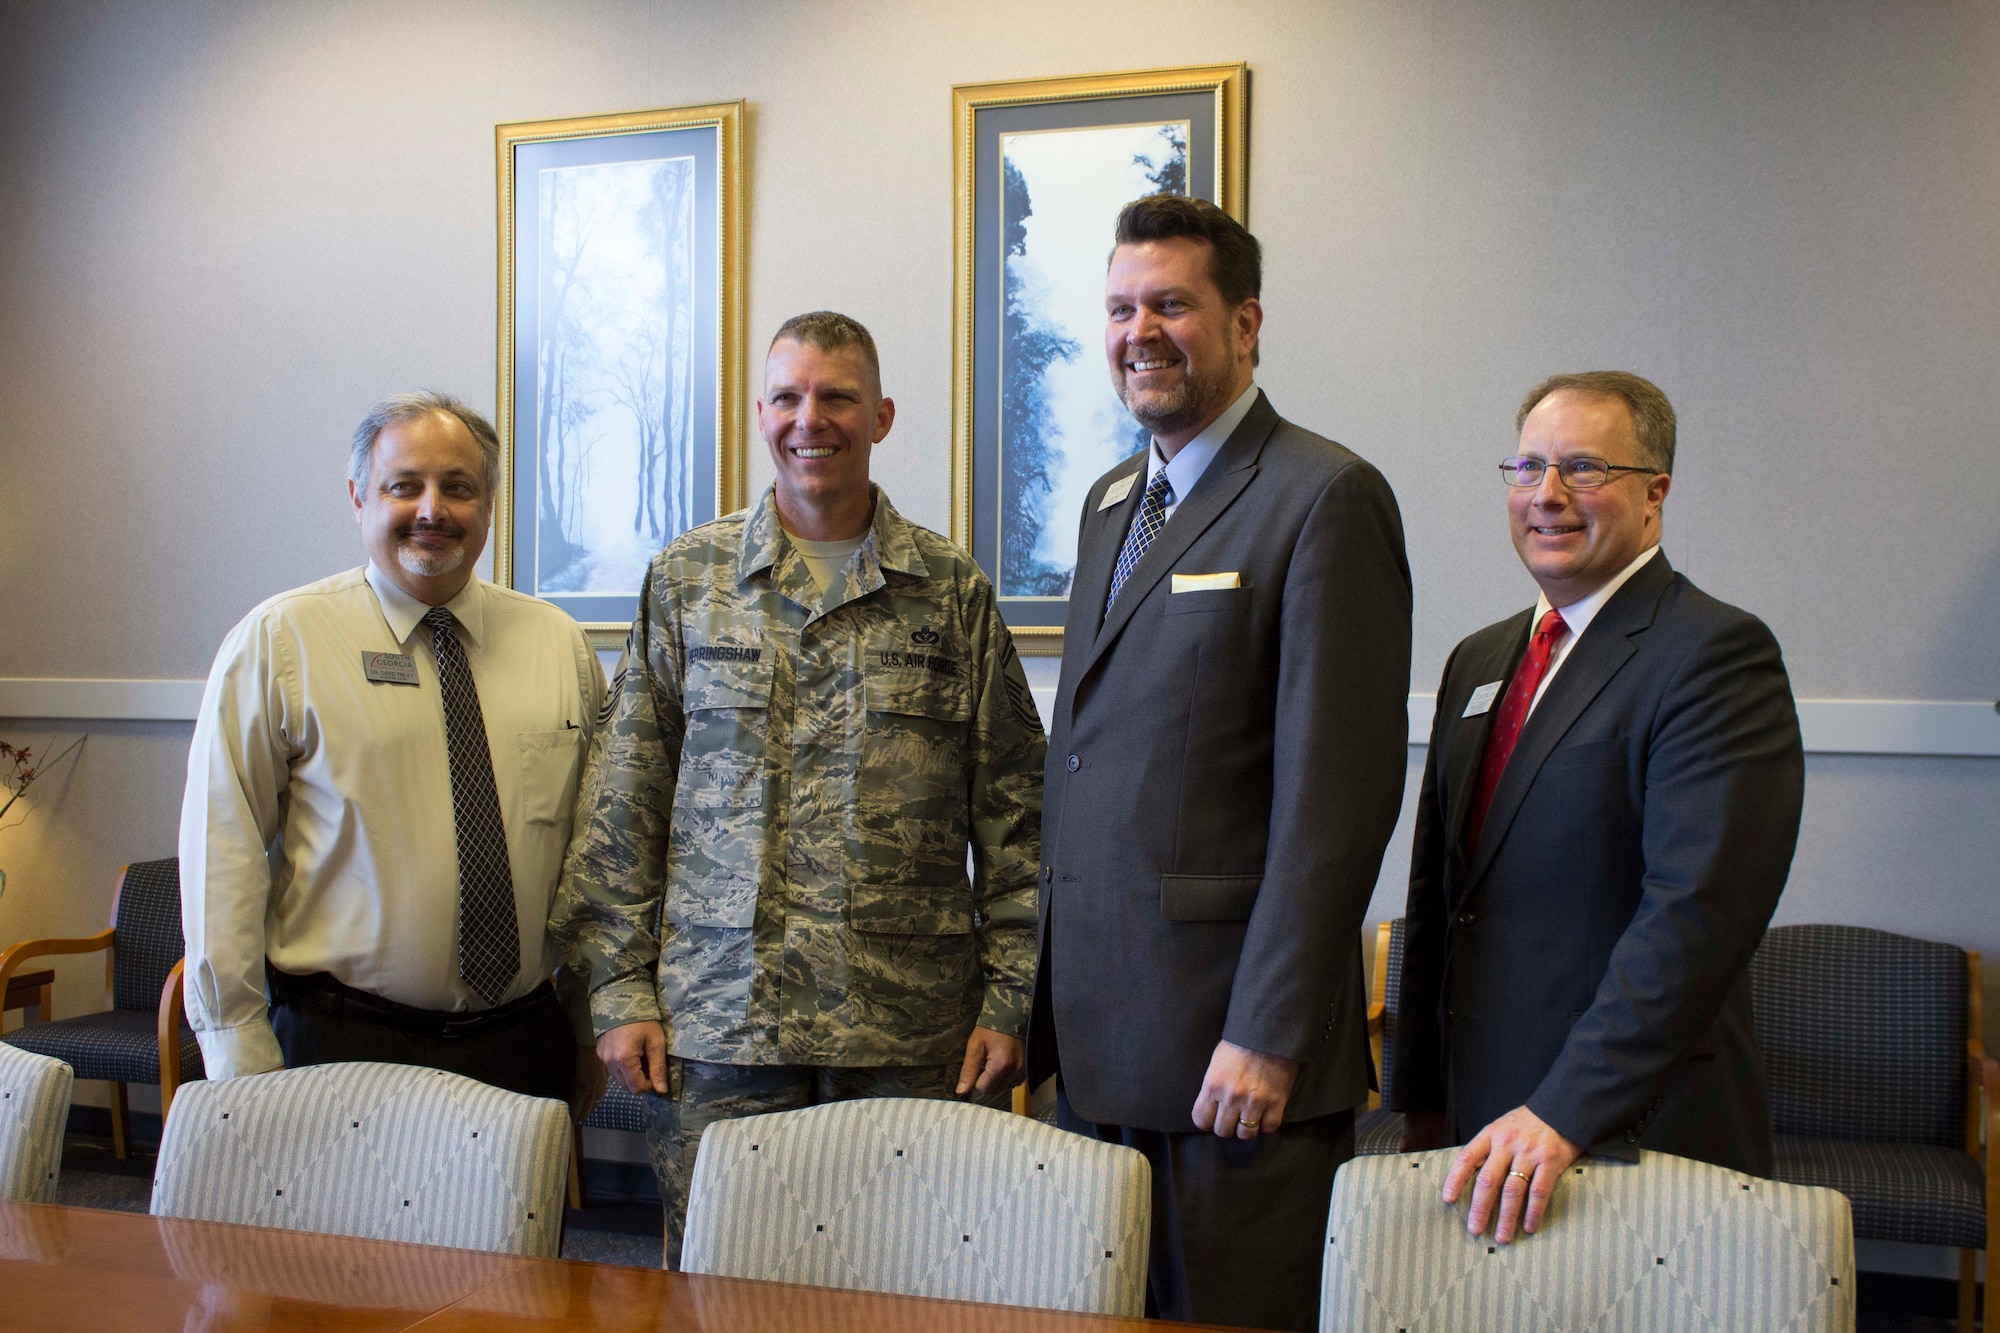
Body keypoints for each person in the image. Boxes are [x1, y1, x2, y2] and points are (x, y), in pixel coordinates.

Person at [551, 311, 1045, 1268]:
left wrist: (1009, 1000)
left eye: (837, 396)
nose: (809, 419)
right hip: (720, 1027)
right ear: (763, 413)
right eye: (787, 396)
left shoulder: (950, 589)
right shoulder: (690, 580)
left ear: (883, 415)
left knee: (901, 1281)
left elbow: (1020, 819)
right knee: (726, 1285)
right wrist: (618, 988)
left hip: (908, 1031)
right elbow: (623, 801)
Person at [1028, 195, 1413, 1332]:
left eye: (1170, 304)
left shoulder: (1322, 496)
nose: (1137, 331)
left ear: (1243, 324)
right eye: (1117, 307)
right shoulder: (1110, 502)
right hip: (1098, 1042)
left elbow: (1333, 804)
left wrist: (1269, 1030)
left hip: (1228, 1056)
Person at [1391, 372, 1804, 1246]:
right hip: (1479, 1125)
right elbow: (1439, 897)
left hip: (1626, 1134)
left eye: (1583, 468)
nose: (1546, 496)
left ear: (1655, 492)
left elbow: (1695, 918)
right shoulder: (1480, 660)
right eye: (1528, 467)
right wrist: (1419, 1098)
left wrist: (1564, 1110)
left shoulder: (1714, 655)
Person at [180, 391, 603, 1102]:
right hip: (340, 1042)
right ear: (358, 497)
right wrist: (235, 1043)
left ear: (489, 504)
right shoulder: (281, 642)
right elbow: (221, 851)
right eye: (404, 485)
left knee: (517, 1220)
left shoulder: (558, 645)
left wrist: (589, 1026)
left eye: (458, 487)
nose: (432, 510)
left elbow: (596, 859)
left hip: (520, 1043)